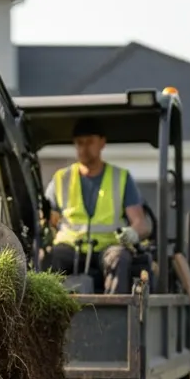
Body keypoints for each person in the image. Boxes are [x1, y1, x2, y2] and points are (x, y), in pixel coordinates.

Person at [42, 117, 151, 293]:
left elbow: (140, 223)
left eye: (90, 142)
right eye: (79, 143)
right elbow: (48, 218)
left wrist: (133, 232)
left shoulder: (120, 178)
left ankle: (114, 316)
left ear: (102, 143)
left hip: (107, 247)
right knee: (49, 258)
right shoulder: (61, 178)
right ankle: (48, 314)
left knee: (119, 257)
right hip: (70, 247)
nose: (84, 148)